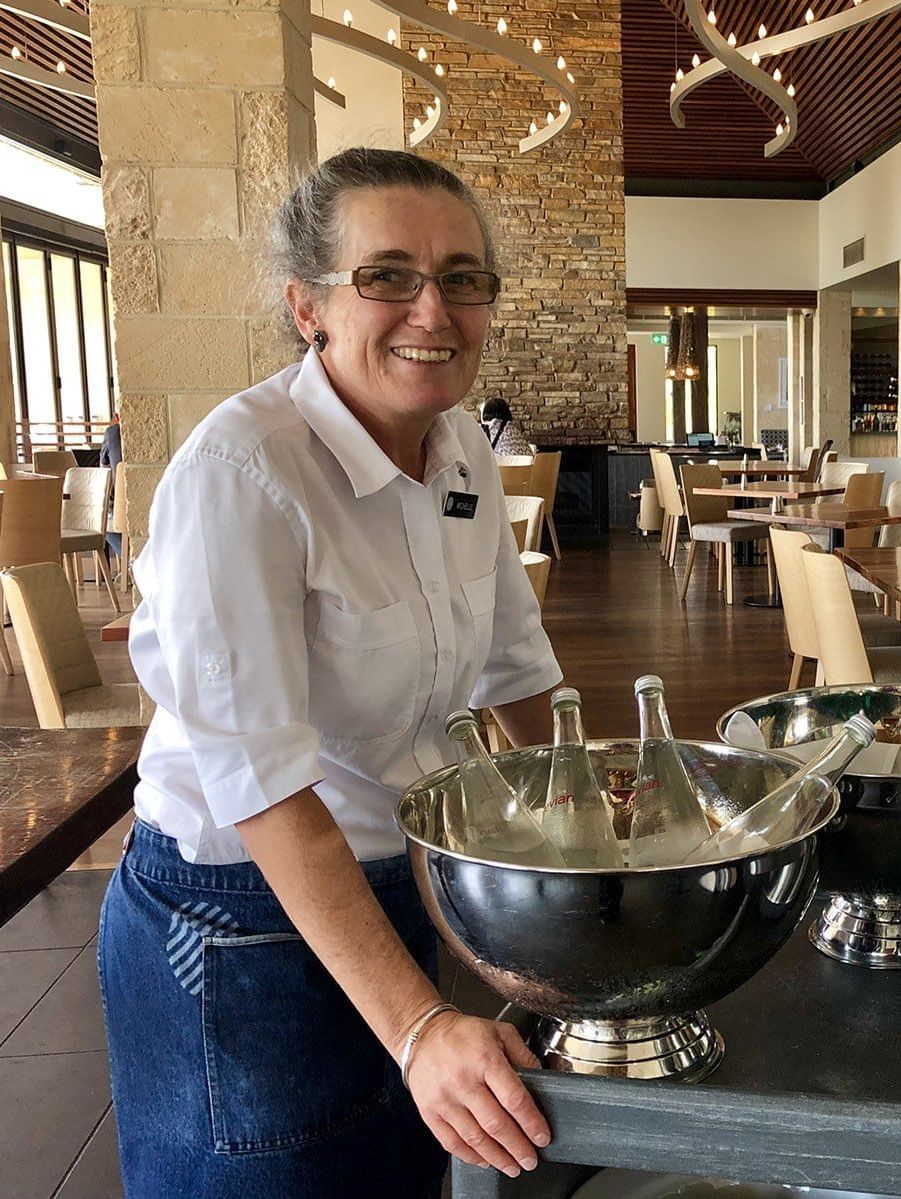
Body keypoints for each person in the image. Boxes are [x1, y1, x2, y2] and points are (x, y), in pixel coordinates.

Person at [99, 148, 562, 1197]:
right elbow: (264, 788)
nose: (431, 309)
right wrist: (422, 1024)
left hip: (396, 882)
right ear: (307, 304)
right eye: (387, 275)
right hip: (238, 918)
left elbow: (515, 667)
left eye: (463, 277)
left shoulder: (460, 449)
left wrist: (597, 834)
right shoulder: (242, 473)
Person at [99, 411, 123, 562]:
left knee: (103, 524)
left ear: (117, 416)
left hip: (120, 508)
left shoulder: (112, 433)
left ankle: (132, 562)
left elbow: (103, 469)